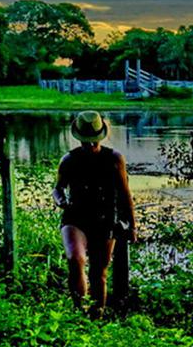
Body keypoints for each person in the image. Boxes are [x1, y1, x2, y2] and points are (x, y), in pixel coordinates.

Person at [52, 111, 136, 318]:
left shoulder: (115, 159)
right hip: (75, 218)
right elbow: (58, 188)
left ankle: (96, 315)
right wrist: (60, 200)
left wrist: (133, 225)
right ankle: (79, 312)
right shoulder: (69, 160)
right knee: (76, 259)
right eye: (85, 142)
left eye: (93, 142)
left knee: (99, 272)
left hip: (104, 219)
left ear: (100, 137)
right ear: (79, 138)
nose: (89, 145)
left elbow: (125, 194)